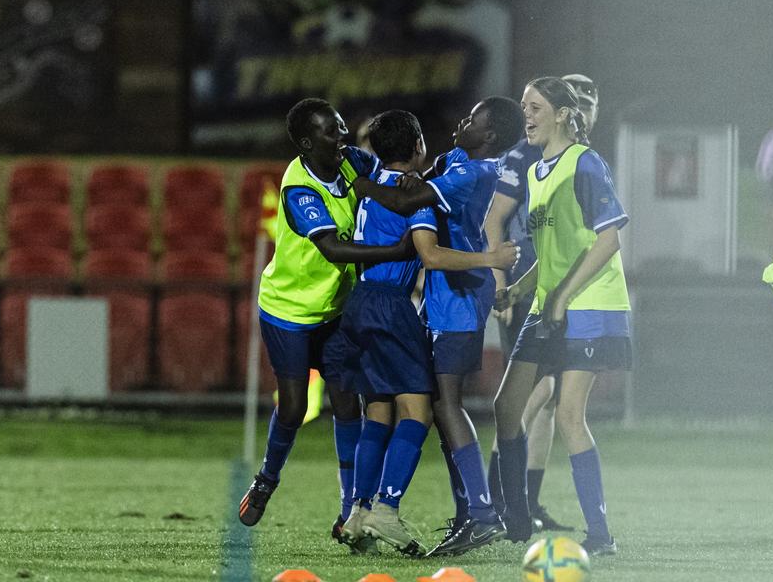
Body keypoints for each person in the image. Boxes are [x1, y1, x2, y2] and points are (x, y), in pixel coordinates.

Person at [337, 110, 518, 556]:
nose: (462, 120)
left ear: (490, 134)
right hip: (413, 305)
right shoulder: (456, 158)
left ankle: (477, 512)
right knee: (419, 408)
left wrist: (365, 179)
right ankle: (399, 510)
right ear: (416, 145)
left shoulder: (476, 172)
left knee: (433, 405)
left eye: (474, 118)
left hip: (455, 303)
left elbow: (413, 207)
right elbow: (426, 174)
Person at [238, 98, 415, 539]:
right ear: (304, 143)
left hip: (335, 309)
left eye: (340, 127)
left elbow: (383, 181)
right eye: (329, 132)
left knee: (345, 402)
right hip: (289, 311)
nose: (341, 137)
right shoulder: (298, 189)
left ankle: (347, 512)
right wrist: (396, 252)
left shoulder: (350, 161)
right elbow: (333, 249)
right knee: (295, 407)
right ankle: (266, 480)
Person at [492, 77, 631, 554]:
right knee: (508, 407)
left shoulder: (586, 164)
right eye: (524, 107)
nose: (526, 116)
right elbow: (549, 256)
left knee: (569, 414)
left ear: (561, 115)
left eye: (534, 107)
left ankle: (600, 535)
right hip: (549, 305)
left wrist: (562, 297)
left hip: (590, 306)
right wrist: (515, 290)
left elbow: (609, 239)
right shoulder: (534, 173)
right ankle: (513, 516)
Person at [484, 73, 598, 532]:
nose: (588, 105)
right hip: (532, 291)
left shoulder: (580, 159)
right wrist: (501, 283)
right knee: (531, 395)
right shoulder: (525, 155)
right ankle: (499, 499)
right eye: (580, 97)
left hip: (563, 290)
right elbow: (494, 222)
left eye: (593, 98)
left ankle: (526, 502)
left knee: (550, 401)